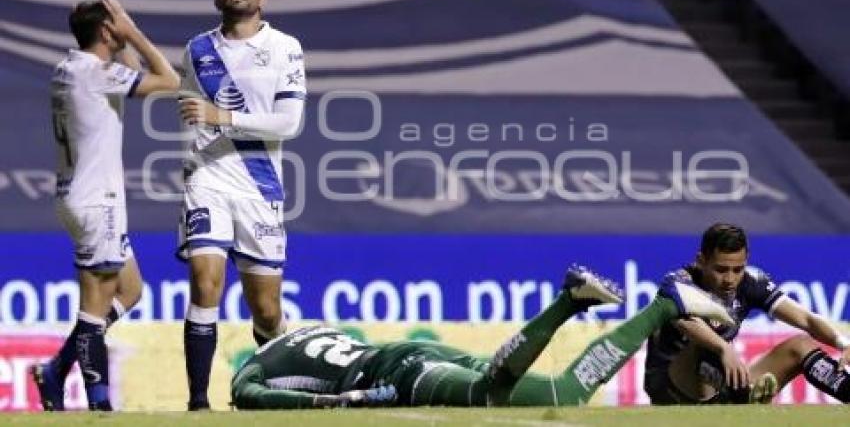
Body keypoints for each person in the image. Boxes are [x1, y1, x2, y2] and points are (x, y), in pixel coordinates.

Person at [230, 266, 734, 409]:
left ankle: (658, 305)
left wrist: (336, 403)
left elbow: (251, 396)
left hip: (405, 376)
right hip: (413, 355)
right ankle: (586, 302)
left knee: (535, 394)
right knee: (564, 392)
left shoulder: (257, 365)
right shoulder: (311, 328)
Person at [31, 0, 180, 411]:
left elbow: (132, 77)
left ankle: (57, 369)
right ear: (106, 32)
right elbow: (169, 81)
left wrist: (119, 38)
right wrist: (133, 34)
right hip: (99, 201)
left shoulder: (70, 68)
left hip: (77, 195)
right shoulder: (97, 75)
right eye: (116, 27)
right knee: (93, 310)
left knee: (130, 290)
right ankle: (100, 407)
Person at [178, 0, 306, 411]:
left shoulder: (285, 47)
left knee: (268, 312)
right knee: (204, 280)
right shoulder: (197, 50)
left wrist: (224, 117)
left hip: (260, 185)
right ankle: (198, 403)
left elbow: (289, 123)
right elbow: (187, 106)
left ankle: (268, 393)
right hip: (208, 178)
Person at [644, 222, 850, 405]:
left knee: (801, 346)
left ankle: (745, 396)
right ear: (701, 260)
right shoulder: (677, 283)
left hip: (722, 386)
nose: (730, 279)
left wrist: (844, 344)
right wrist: (724, 348)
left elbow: (806, 319)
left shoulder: (751, 282)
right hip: (673, 389)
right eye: (721, 269)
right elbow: (687, 324)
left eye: (737, 269)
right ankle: (745, 396)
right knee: (703, 344)